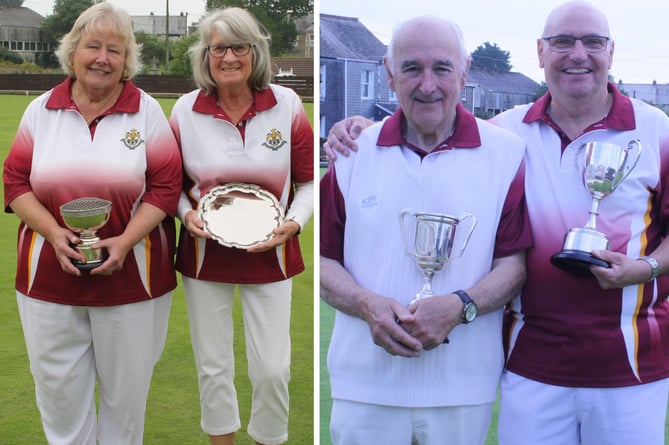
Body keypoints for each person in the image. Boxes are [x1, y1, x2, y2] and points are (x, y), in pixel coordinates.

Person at [326, 2, 669, 443]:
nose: (578, 53)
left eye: (593, 42)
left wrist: (647, 269)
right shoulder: (510, 134)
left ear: (611, 50)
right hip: (531, 366)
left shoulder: (655, 130)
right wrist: (356, 129)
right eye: (563, 42)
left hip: (634, 361)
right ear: (541, 52)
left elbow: (513, 263)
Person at [320, 15, 532, 445]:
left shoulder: (507, 154)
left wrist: (460, 305)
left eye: (442, 68)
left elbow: (514, 264)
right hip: (364, 387)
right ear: (389, 74)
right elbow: (324, 260)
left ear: (465, 71)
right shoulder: (352, 153)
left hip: (462, 388)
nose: (428, 84)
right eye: (412, 68)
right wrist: (366, 304)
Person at [2, 3, 182, 444]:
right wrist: (53, 232)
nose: (102, 58)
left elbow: (166, 185)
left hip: (133, 280)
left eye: (114, 50)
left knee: (125, 407)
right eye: (93, 46)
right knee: (61, 404)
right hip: (48, 279)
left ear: (127, 61)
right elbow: (14, 181)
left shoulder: (147, 112)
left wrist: (124, 241)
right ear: (73, 52)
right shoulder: (41, 111)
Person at [169, 7, 314, 445]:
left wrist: (293, 223)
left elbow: (308, 182)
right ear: (205, 55)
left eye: (238, 47)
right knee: (213, 365)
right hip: (204, 252)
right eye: (218, 48)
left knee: (273, 368)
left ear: (256, 52)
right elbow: (170, 186)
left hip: (272, 252)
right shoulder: (185, 110)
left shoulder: (286, 104)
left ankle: (269, 438)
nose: (228, 57)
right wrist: (185, 214)